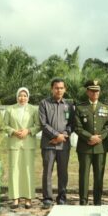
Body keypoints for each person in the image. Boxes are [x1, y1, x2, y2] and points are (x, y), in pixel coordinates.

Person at [74, 80, 108, 206]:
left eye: (97, 90)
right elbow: (77, 127)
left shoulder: (106, 108)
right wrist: (90, 137)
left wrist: (100, 137)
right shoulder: (80, 107)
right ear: (87, 92)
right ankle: (83, 200)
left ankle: (97, 201)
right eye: (92, 90)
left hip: (100, 147)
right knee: (84, 174)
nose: (95, 93)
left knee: (99, 175)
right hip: (85, 146)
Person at [38, 78, 75, 209]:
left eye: (61, 88)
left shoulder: (69, 105)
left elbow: (71, 124)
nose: (59, 90)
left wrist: (63, 135)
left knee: (63, 172)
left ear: (65, 89)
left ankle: (62, 197)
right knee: (47, 171)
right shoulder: (44, 103)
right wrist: (56, 135)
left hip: (64, 144)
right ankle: (47, 198)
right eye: (56, 88)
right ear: (51, 89)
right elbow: (43, 124)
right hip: (49, 143)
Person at [3, 87, 40, 209]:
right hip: (14, 143)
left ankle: (28, 198)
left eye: (25, 95)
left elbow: (38, 125)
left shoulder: (33, 109)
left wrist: (28, 130)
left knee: (28, 171)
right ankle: (15, 198)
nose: (22, 98)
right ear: (17, 96)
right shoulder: (10, 109)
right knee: (14, 170)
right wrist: (13, 131)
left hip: (28, 143)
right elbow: (4, 125)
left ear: (28, 97)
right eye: (20, 95)